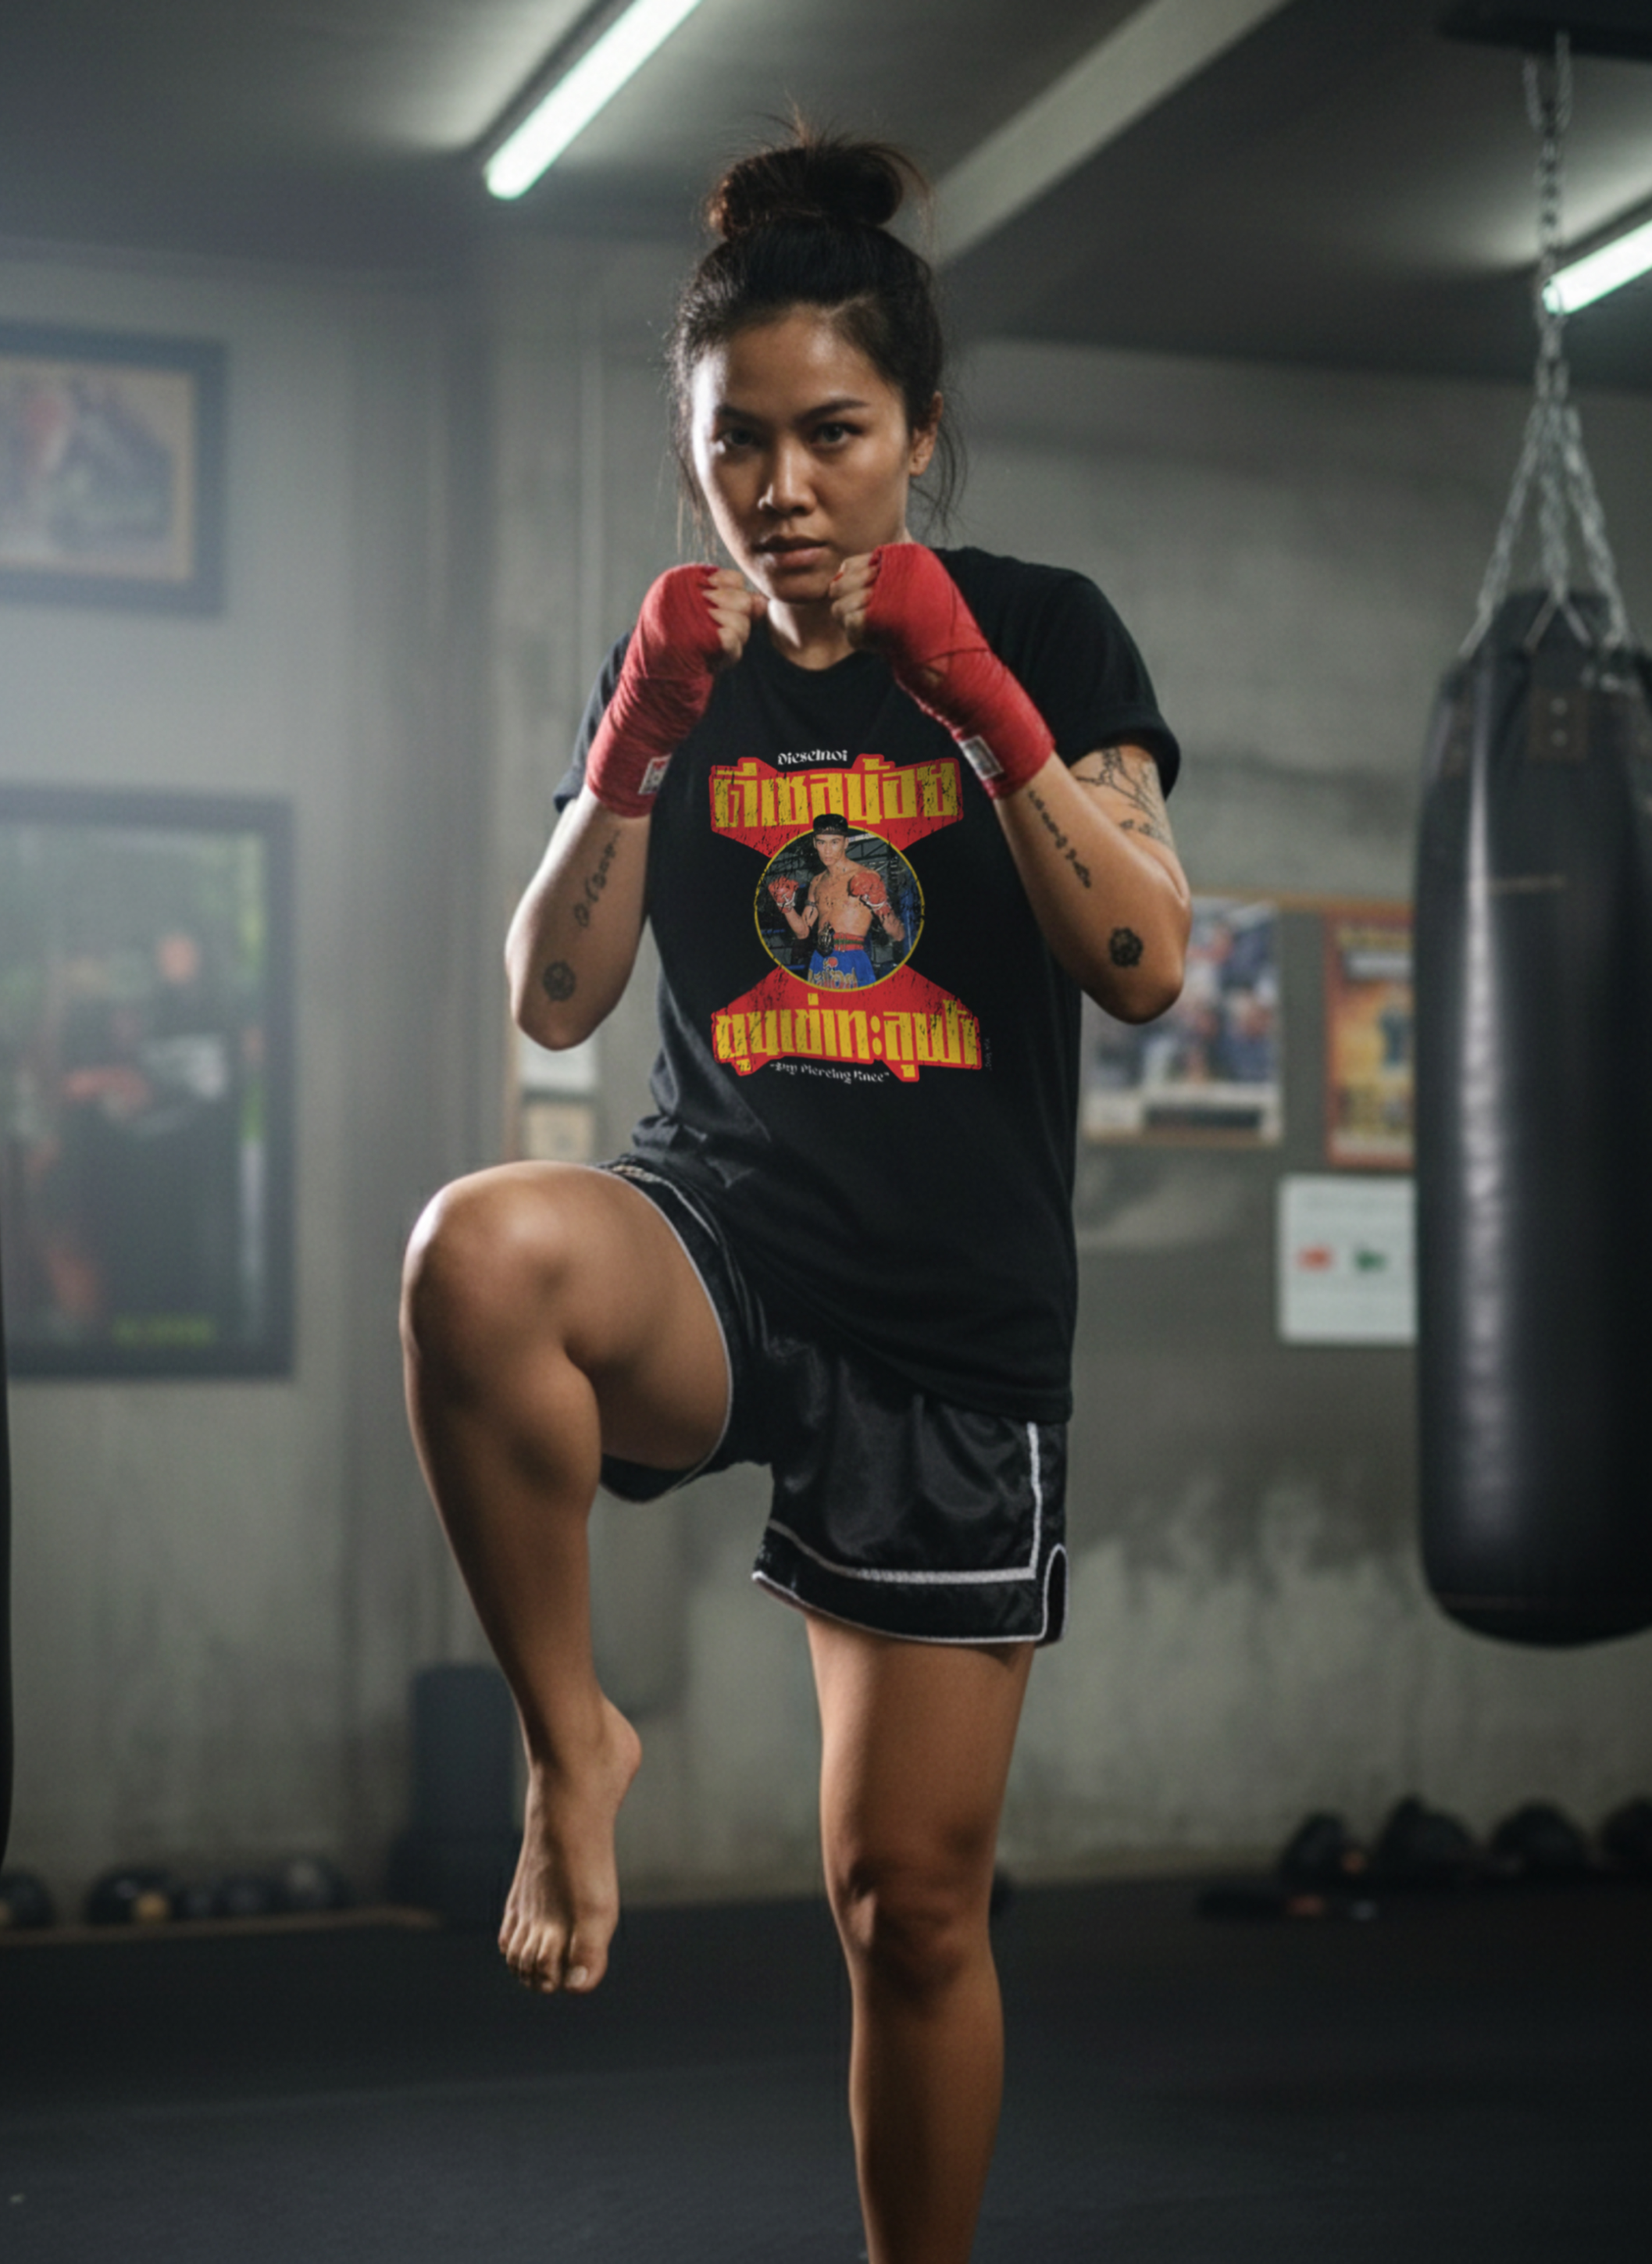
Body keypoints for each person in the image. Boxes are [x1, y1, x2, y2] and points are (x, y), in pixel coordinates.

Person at [401, 127, 1190, 2264]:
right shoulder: (681, 656)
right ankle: (576, 1752)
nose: (784, 485)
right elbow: (557, 1001)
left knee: (905, 1905)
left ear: (918, 431)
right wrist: (634, 745)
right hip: (721, 1243)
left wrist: (980, 704)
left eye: (833, 432)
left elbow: (1143, 962)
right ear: (692, 457)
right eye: (735, 442)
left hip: (947, 1321)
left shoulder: (1039, 629)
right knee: (475, 1255)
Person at [769, 809, 906, 987]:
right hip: (820, 960)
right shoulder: (816, 882)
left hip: (853, 958)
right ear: (814, 843)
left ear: (846, 842)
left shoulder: (865, 875)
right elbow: (802, 932)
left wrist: (880, 904)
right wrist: (785, 906)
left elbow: (899, 934)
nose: (827, 851)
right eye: (821, 843)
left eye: (834, 842)